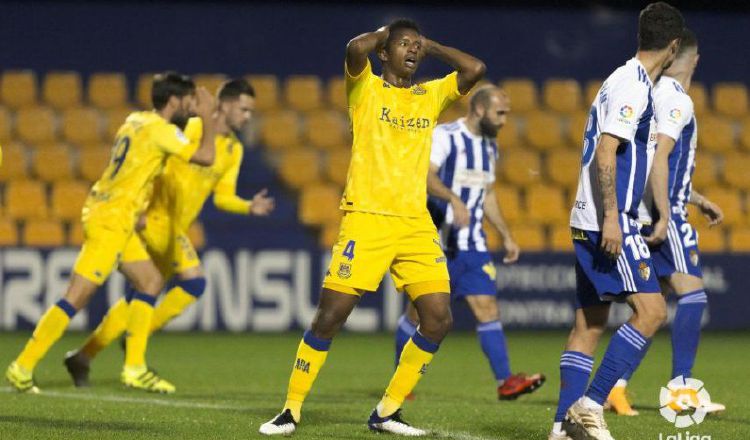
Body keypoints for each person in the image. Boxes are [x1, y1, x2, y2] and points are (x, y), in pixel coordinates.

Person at [259, 18, 485, 436]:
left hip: (415, 223)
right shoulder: (365, 89)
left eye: (416, 46)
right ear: (385, 53)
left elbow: (475, 69)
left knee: (438, 319)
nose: (413, 51)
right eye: (404, 45)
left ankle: (387, 412)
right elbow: (353, 50)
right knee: (331, 316)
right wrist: (385, 34)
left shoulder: (429, 95)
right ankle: (290, 409)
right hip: (366, 219)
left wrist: (429, 43)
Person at [5, 72, 217, 394]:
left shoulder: (135, 121)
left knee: (150, 281)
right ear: (174, 100)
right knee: (76, 297)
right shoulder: (160, 131)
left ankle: (134, 368)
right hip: (111, 221)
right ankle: (22, 366)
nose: (191, 107)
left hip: (117, 216)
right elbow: (205, 156)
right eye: (188, 101)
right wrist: (207, 117)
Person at [62, 78, 275, 391]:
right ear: (225, 104)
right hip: (152, 220)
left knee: (138, 295)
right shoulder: (190, 129)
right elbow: (151, 164)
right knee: (193, 281)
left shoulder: (233, 149)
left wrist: (247, 207)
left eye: (250, 111)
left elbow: (222, 196)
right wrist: (141, 208)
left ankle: (85, 355)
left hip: (175, 227)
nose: (247, 117)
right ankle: (137, 347)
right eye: (243, 109)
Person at [549, 3, 684, 440]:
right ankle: (589, 406)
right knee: (652, 310)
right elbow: (607, 151)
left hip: (587, 216)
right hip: (611, 220)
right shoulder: (634, 87)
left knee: (589, 323)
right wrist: (612, 217)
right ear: (674, 46)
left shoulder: (618, 77)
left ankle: (561, 428)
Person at [394, 85, 544, 401]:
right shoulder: (445, 136)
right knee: (418, 316)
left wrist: (505, 233)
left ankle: (506, 382)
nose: (504, 121)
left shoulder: (490, 147)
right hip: (433, 241)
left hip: (473, 244)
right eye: (500, 113)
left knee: (487, 308)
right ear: (479, 109)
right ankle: (400, 382)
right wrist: (452, 199)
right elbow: (425, 175)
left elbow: (487, 193)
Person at [606, 29, 725, 416]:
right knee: (693, 295)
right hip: (664, 212)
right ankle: (681, 390)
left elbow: (660, 163)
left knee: (650, 311)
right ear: (694, 58)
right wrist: (666, 212)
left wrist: (698, 198)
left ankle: (615, 387)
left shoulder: (654, 94)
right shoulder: (676, 99)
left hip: (649, 209)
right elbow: (659, 160)